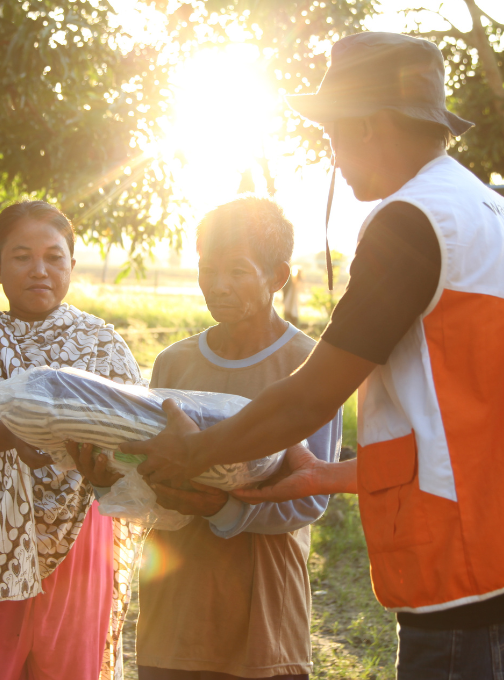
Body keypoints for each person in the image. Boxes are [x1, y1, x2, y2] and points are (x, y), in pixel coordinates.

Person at [122, 33, 504, 680]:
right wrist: (323, 476)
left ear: (366, 125)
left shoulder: (414, 221)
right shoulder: (503, 218)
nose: (332, 155)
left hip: (484, 584)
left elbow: (310, 396)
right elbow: (472, 426)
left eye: (333, 134)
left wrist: (189, 453)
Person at [72, 197, 342, 680]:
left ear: (278, 276)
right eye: (207, 269)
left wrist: (221, 506)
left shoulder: (309, 365)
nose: (217, 286)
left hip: (263, 612)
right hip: (176, 608)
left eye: (237, 270)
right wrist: (109, 481)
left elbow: (309, 499)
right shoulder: (175, 363)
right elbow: (151, 469)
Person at [0, 201, 145, 680]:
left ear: (72, 265)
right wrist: (19, 434)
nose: (39, 270)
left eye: (54, 256)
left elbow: (131, 434)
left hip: (82, 532)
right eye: (21, 256)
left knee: (70, 666)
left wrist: (108, 464)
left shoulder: (102, 343)